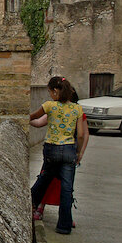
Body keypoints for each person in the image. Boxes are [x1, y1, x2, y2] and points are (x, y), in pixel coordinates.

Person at [30, 76, 87, 234]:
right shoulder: (77, 109)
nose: (49, 95)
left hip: (52, 148)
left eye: (50, 91)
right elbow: (81, 134)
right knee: (67, 189)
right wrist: (78, 152)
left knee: (44, 178)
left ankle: (29, 202)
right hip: (69, 150)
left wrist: (21, 119)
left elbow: (33, 117)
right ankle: (64, 225)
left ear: (55, 91)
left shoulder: (49, 106)